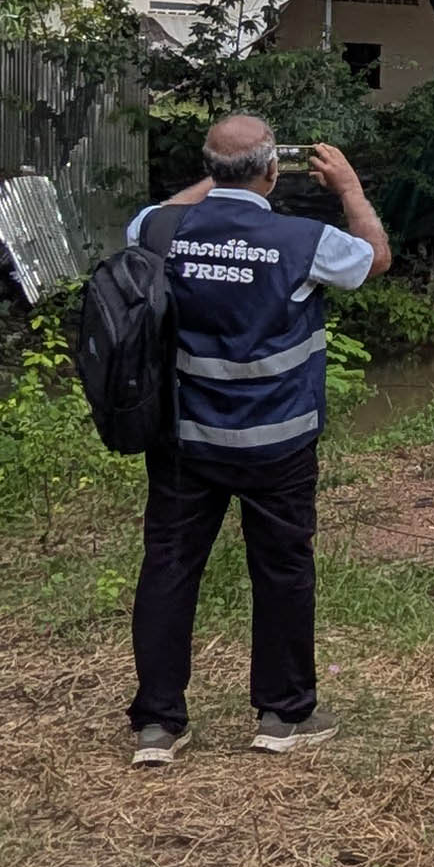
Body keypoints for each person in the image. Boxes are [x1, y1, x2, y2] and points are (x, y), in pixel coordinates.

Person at [120, 115, 391, 765]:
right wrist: (349, 188)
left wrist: (216, 179)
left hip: (185, 439)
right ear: (273, 172)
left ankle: (158, 724)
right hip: (279, 444)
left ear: (213, 170)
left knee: (169, 569)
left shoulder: (160, 230)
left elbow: (151, 217)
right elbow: (375, 257)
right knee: (283, 571)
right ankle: (283, 713)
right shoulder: (302, 239)